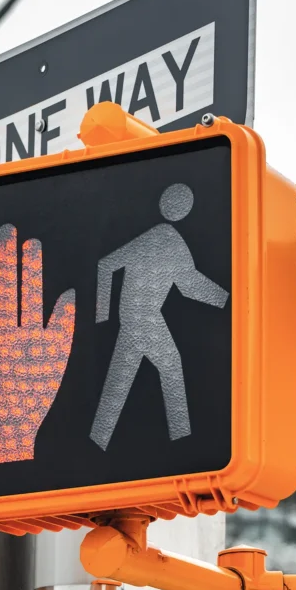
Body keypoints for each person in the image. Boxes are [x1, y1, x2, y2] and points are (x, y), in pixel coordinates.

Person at [91, 183, 229, 451]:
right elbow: (106, 265)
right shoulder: (164, 238)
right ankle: (182, 445)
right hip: (143, 319)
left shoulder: (163, 238)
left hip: (138, 318)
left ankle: (97, 443)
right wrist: (101, 315)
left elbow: (187, 284)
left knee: (121, 381)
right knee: (170, 367)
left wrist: (225, 298)